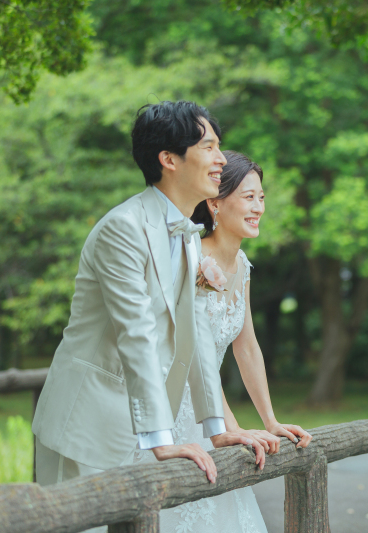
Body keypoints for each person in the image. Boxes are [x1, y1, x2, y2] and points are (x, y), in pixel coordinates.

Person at [31, 102, 256, 514]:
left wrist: (216, 430)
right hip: (88, 422)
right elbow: (135, 334)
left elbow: (195, 333)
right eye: (209, 147)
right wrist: (163, 439)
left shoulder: (189, 234)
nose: (222, 159)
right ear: (168, 159)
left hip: (139, 425)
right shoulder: (123, 228)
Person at [135, 151, 312, 532]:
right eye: (249, 197)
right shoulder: (190, 259)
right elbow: (192, 353)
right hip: (180, 406)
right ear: (214, 203)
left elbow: (246, 347)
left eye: (261, 197)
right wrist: (231, 427)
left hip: (209, 404)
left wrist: (270, 420)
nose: (258, 207)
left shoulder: (242, 265)